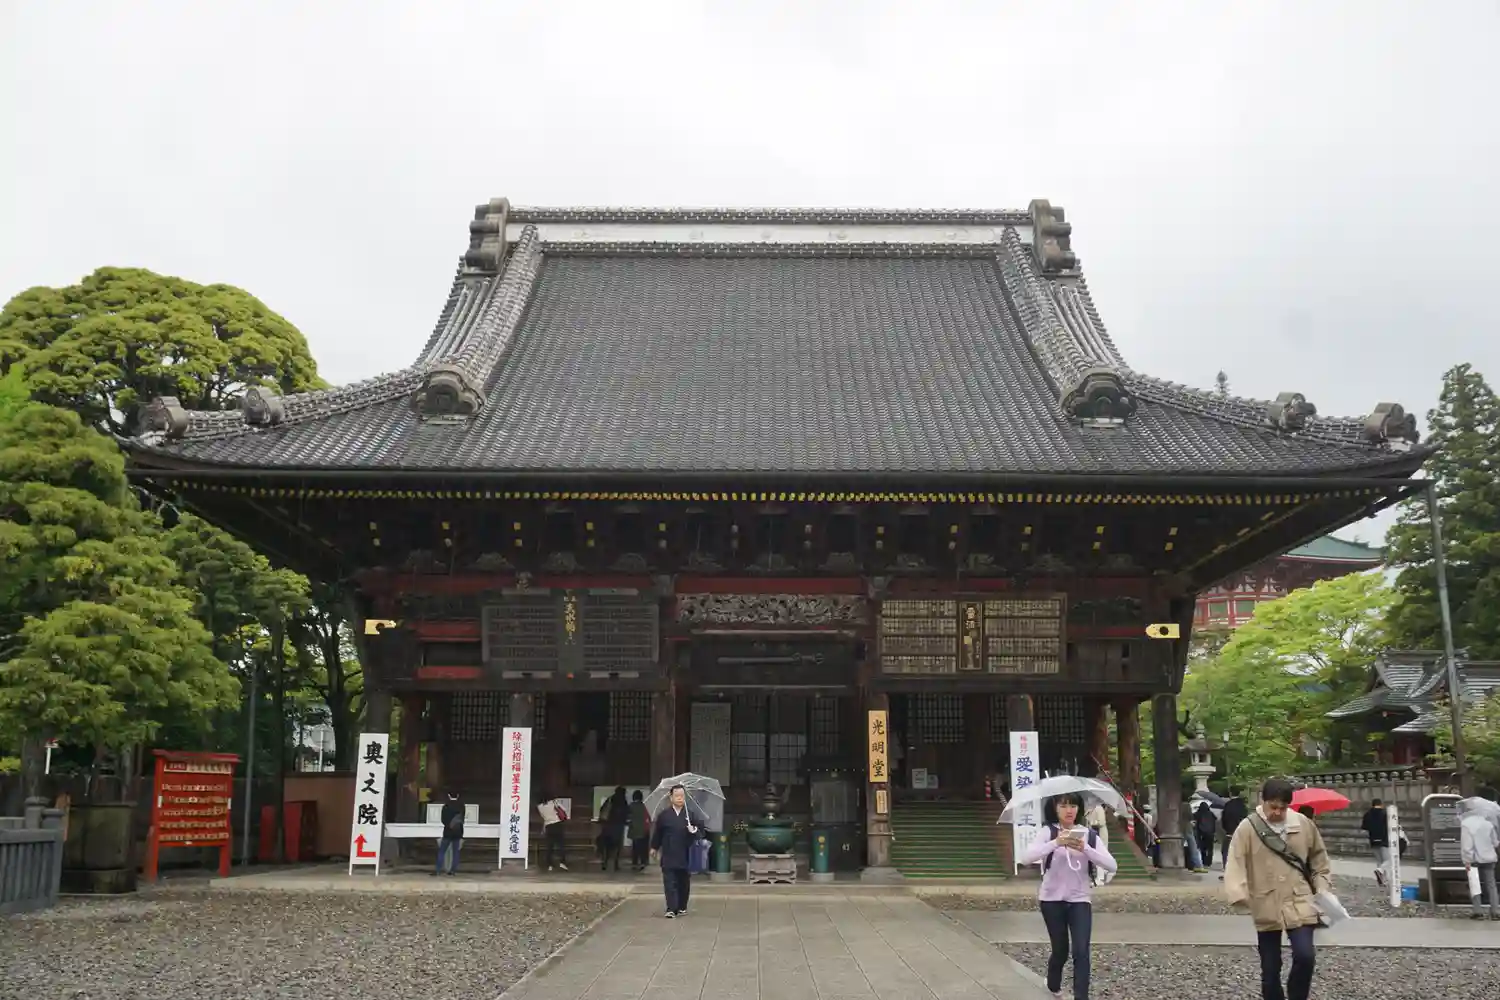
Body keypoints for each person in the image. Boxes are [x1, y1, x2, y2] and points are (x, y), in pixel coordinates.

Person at [1224, 777, 1332, 1000]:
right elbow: (1235, 861)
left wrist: (1322, 888)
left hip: (1300, 898)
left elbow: (1319, 860)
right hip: (1266, 900)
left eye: (1282, 808)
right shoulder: (1248, 827)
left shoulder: (1303, 824)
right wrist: (1238, 892)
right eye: (1273, 807)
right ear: (1263, 801)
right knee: (1270, 968)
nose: (1277, 812)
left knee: (1305, 956)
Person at [1021, 792, 1117, 1000]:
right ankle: (1053, 983)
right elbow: (1026, 858)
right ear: (1055, 808)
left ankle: (1081, 996)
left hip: (1080, 900)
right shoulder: (1048, 832)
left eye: (1073, 805)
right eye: (1063, 806)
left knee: (1081, 951)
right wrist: (1056, 842)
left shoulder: (1089, 835)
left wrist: (1086, 849)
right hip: (1051, 900)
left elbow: (1112, 865)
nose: (1069, 810)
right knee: (1061, 950)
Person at [650, 783, 706, 918]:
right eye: (677, 796)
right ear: (671, 797)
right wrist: (654, 847)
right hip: (669, 853)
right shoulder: (664, 816)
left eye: (682, 796)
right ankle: (671, 908)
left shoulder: (690, 815)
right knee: (669, 883)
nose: (680, 798)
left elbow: (701, 833)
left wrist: (694, 830)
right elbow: (658, 833)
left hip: (685, 854)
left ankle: (682, 906)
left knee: (683, 883)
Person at [1459, 788, 1500, 921]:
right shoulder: (1488, 824)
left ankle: (1478, 911)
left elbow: (1467, 846)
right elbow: (1495, 842)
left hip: (1474, 859)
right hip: (1489, 857)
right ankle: (1495, 911)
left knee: (1475, 885)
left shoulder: (1466, 824)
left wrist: (1467, 860)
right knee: (1491, 885)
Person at [1360, 798, 1392, 886]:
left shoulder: (1367, 814)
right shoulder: (1385, 814)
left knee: (1379, 861)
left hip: (1373, 840)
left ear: (1372, 805)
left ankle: (1382, 880)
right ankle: (1381, 872)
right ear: (1381, 804)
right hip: (1384, 840)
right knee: (1388, 860)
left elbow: (1364, 828)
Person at [536, 792, 570, 872]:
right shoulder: (554, 802)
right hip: (557, 825)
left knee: (549, 846)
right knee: (561, 845)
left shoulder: (539, 807)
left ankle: (549, 865)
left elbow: (544, 818)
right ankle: (562, 862)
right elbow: (564, 810)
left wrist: (543, 829)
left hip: (548, 826)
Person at [433, 790, 464, 877]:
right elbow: (462, 819)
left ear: (449, 796)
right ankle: (453, 871)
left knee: (442, 851)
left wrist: (448, 825)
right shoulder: (461, 806)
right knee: (456, 852)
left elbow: (443, 820)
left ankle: (438, 870)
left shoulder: (446, 806)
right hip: (458, 831)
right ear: (458, 796)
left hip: (448, 831)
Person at [600, 785, 629, 872]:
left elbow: (602, 809)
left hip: (608, 825)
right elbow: (626, 813)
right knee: (617, 846)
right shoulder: (623, 801)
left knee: (607, 845)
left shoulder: (610, 799)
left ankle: (604, 862)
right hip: (618, 826)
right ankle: (616, 864)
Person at [1220, 790, 1248, 873]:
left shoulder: (1228, 805)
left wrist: (1226, 828)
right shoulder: (1243, 806)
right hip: (1240, 831)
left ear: (1230, 793)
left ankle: (1227, 869)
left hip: (1229, 832)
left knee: (1226, 851)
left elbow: (1224, 819)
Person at [628, 789, 651, 872]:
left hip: (634, 830)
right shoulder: (643, 806)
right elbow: (648, 817)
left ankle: (634, 863)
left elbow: (628, 817)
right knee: (642, 847)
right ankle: (642, 862)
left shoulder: (631, 806)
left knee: (635, 848)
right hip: (643, 831)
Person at [1194, 801, 1218, 870]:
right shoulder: (1210, 813)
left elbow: (1194, 817)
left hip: (1202, 833)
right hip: (1210, 833)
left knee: (1203, 847)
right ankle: (1209, 861)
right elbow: (1215, 820)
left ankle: (1204, 860)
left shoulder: (1199, 813)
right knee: (1210, 848)